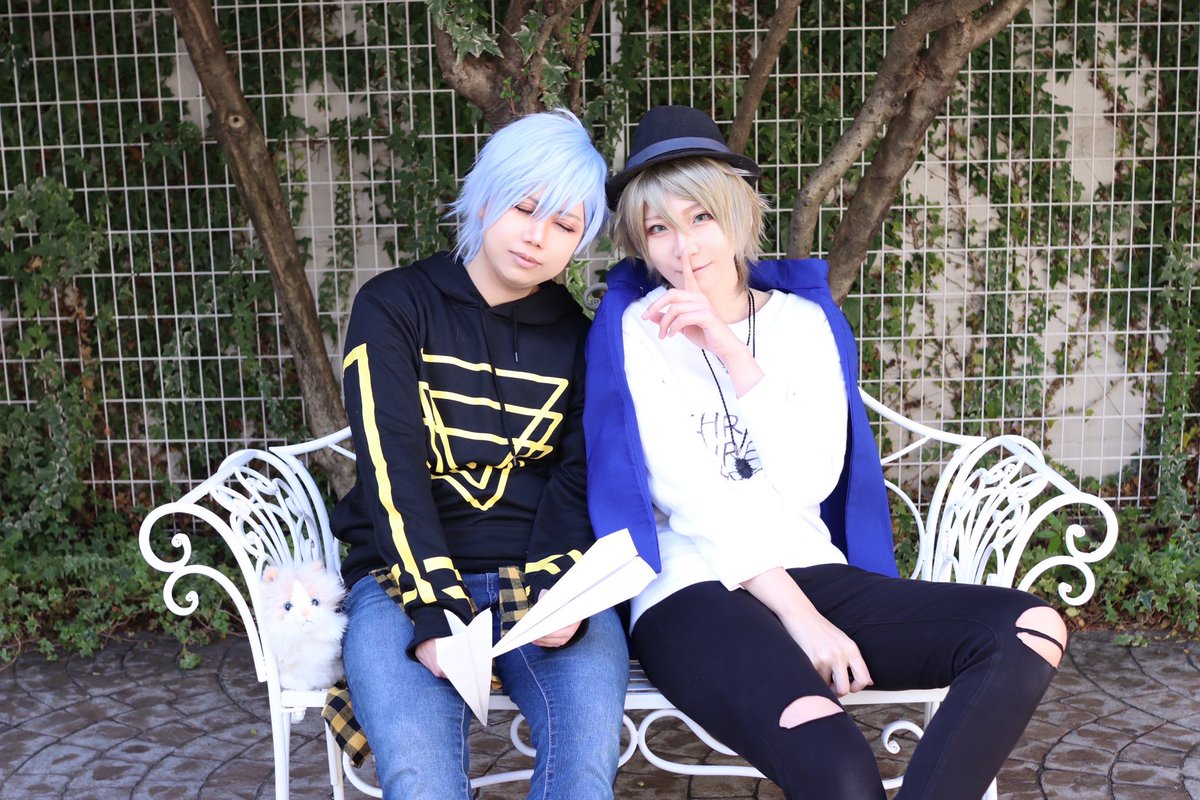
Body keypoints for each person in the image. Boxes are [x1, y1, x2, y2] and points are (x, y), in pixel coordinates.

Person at [583, 105, 1068, 799]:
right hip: (693, 588)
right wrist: (801, 620)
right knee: (837, 765)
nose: (683, 247)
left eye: (700, 218)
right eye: (658, 228)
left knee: (1028, 628)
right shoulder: (636, 329)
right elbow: (691, 499)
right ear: (640, 242)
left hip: (810, 567)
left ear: (737, 218)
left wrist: (729, 349)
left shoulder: (804, 323)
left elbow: (809, 477)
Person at [331, 109, 629, 800]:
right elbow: (390, 467)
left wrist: (563, 590)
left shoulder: (580, 336)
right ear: (486, 198)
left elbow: (579, 474)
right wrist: (435, 609)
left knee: (584, 777)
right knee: (423, 783)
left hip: (540, 580)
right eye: (525, 208)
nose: (537, 236)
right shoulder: (394, 305)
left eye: (564, 225)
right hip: (402, 581)